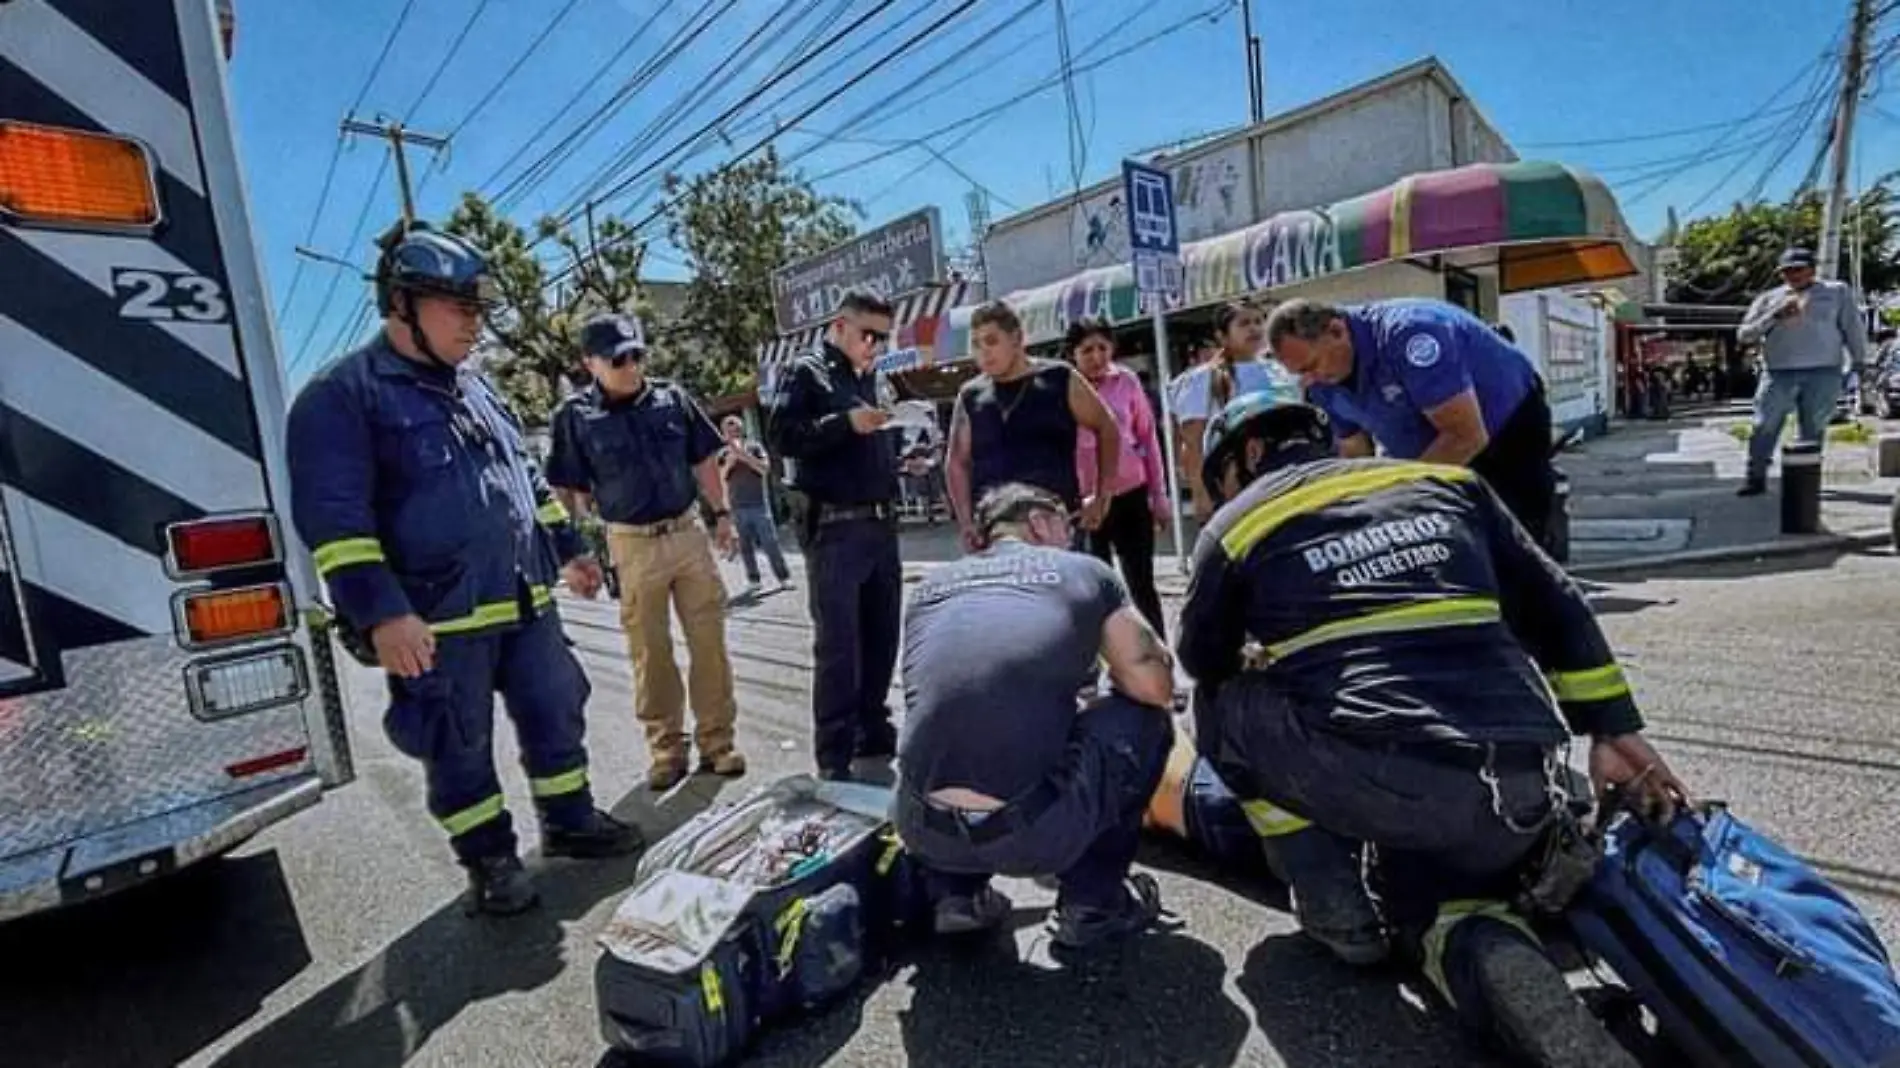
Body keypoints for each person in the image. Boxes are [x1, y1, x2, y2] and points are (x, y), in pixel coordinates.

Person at [1176, 388, 1687, 1068]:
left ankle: (1330, 898)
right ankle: (1482, 917)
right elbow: (1556, 605)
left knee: (1215, 703)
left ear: (1250, 454)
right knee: (1447, 887)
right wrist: (1612, 730)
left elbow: (1199, 659)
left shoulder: (1238, 525)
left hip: (1380, 782)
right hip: (1522, 774)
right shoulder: (1446, 482)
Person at [286, 224, 641, 917]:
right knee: (457, 741)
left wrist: (569, 549)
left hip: (521, 600)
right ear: (400, 305)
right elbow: (335, 520)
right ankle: (490, 860)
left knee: (557, 708)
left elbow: (527, 484)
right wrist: (381, 611)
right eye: (459, 309)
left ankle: (569, 820)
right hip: (435, 618)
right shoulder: (342, 397)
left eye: (478, 310)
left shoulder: (478, 390)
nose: (474, 326)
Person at [893, 482, 1175, 951]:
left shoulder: (929, 587)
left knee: (959, 731)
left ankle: (956, 896)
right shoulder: (1084, 570)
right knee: (1145, 720)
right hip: (1032, 833)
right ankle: (1093, 902)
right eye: (1066, 523)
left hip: (921, 825)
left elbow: (955, 698)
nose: (1071, 535)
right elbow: (1155, 687)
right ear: (1040, 522)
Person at [545, 313, 747, 791]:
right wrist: (574, 553)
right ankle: (666, 749)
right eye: (618, 359)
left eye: (637, 355)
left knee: (709, 645)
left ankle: (717, 743)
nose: (631, 366)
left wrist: (722, 515)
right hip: (630, 544)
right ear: (589, 363)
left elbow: (703, 459)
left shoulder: (673, 399)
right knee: (650, 654)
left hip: (687, 534)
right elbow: (567, 488)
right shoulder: (574, 418)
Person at [1265, 296, 1560, 548]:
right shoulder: (1320, 383)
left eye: (1311, 366)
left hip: (1505, 428)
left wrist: (1401, 497)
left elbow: (1465, 437)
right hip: (1426, 452)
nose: (1309, 380)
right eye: (1299, 373)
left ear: (1336, 330)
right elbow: (1355, 454)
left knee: (1517, 545)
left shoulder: (1410, 334)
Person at [763, 289, 903, 781]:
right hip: (834, 528)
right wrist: (844, 422)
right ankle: (834, 755)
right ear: (839, 326)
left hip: (881, 524)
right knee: (840, 647)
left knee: (882, 636)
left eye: (883, 337)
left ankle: (872, 726)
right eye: (868, 335)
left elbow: (870, 444)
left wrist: (900, 456)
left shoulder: (871, 378)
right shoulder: (806, 372)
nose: (875, 345)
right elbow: (781, 437)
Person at [945, 301, 1122, 553]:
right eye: (976, 344)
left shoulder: (1058, 378)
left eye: (992, 341)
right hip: (995, 532)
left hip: (1054, 527)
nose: (984, 352)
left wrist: (1103, 496)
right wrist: (965, 522)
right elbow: (956, 463)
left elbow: (1107, 427)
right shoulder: (971, 395)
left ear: (1016, 338)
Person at [1734, 247, 1869, 496]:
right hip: (1778, 372)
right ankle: (1756, 476)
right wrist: (1774, 316)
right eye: (1786, 271)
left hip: (1824, 370)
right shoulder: (1769, 298)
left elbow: (1853, 327)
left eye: (1798, 269)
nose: (1792, 275)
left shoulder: (1836, 292)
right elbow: (1744, 334)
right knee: (1763, 425)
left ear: (1812, 269)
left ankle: (1808, 481)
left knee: (1813, 428)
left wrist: (1860, 361)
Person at [1067, 318, 1171, 638]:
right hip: (1085, 502)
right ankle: (1102, 666)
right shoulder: (1063, 387)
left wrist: (1159, 495)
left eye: (1103, 347)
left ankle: (1158, 657)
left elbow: (1148, 437)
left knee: (1141, 581)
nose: (1097, 357)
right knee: (1095, 588)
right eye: (1087, 350)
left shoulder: (1126, 381)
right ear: (1073, 354)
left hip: (1130, 493)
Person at [1170, 301, 1303, 524]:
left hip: (1288, 477)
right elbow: (1194, 443)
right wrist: (1202, 495)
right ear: (1222, 336)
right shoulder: (1203, 379)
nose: (1254, 329)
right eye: (1244, 323)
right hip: (1237, 485)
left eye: (1259, 321)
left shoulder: (1282, 370)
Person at [718, 415, 793, 595]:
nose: (732, 433)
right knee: (745, 546)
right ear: (723, 433)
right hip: (737, 506)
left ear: (741, 430)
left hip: (759, 504)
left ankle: (783, 577)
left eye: (735, 429)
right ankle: (753, 579)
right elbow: (721, 478)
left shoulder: (754, 447)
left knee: (770, 543)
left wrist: (743, 455)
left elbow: (764, 469)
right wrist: (730, 460)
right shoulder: (722, 453)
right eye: (728, 431)